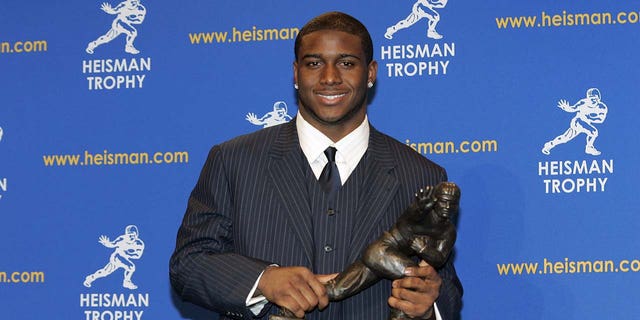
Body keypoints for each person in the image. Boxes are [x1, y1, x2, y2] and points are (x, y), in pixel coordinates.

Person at [170, 11, 462, 320]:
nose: (330, 77)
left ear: (371, 72)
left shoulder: (422, 175)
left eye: (347, 63)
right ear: (296, 74)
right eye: (314, 63)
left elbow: (446, 292)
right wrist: (263, 280)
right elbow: (189, 264)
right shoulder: (233, 161)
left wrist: (429, 305)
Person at [542, 88, 608, 156]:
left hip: (587, 123)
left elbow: (600, 120)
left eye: (595, 98)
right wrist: (566, 108)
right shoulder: (583, 103)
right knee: (593, 132)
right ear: (588, 98)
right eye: (591, 98)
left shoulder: (602, 108)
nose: (593, 100)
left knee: (565, 138)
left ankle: (549, 145)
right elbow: (573, 108)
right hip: (578, 122)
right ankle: (589, 148)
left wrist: (589, 117)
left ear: (599, 98)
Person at [84, 225, 145, 289]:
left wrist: (127, 254)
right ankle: (126, 282)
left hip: (125, 258)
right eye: (129, 235)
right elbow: (112, 244)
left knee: (105, 272)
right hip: (117, 257)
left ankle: (90, 278)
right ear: (126, 234)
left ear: (136, 235)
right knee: (131, 267)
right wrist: (107, 243)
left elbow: (138, 256)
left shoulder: (139, 244)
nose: (131, 237)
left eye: (133, 235)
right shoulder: (122, 239)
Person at [384, 0, 449, 40]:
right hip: (420, 6)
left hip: (427, 8)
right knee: (435, 16)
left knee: (407, 22)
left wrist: (430, 3)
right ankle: (431, 31)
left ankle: (392, 29)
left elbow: (441, 4)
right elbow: (423, 2)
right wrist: (430, 3)